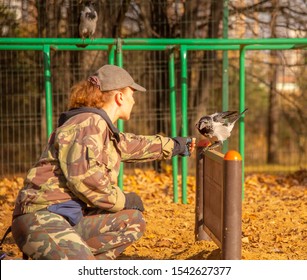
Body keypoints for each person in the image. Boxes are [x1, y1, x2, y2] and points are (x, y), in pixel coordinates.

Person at [11, 64, 196, 260]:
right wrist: (124, 199)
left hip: (67, 218)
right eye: (132, 94)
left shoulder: (100, 128)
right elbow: (87, 180)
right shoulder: (88, 123)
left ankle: (70, 257)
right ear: (119, 97)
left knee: (131, 221)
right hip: (42, 218)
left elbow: (133, 145)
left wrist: (177, 145)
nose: (134, 100)